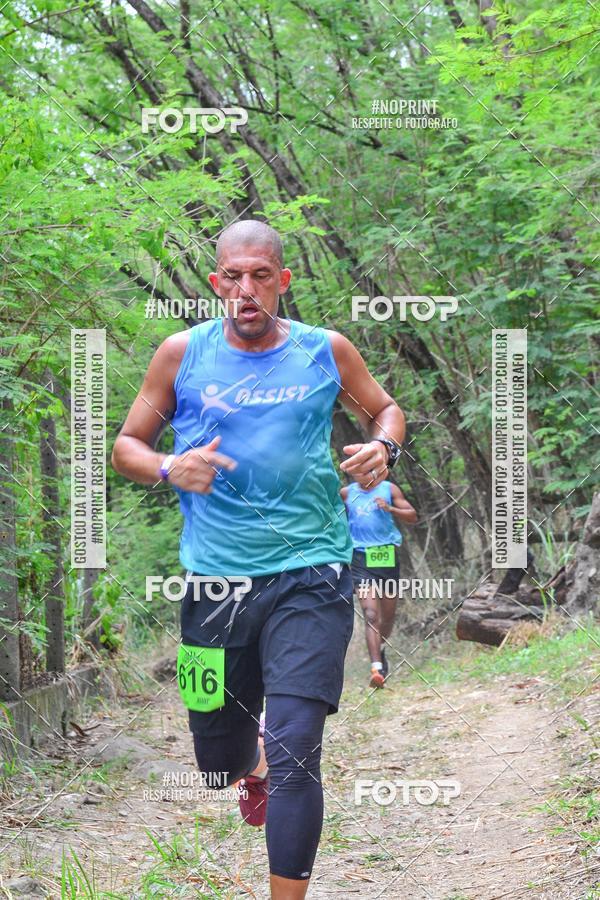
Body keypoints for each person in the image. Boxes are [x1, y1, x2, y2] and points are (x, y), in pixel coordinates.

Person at [111, 219, 406, 900]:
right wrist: (167, 467)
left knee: (299, 746)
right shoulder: (180, 354)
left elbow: (385, 409)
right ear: (217, 284)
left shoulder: (324, 351)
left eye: (261, 276)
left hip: (313, 569)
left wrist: (383, 448)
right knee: (217, 759)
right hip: (214, 580)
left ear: (283, 282)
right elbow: (126, 446)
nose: (247, 290)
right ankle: (249, 763)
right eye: (234, 278)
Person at [341, 479, 416, 688]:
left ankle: (380, 647)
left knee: (388, 616)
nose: (364, 472)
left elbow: (412, 516)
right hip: (360, 559)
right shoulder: (346, 494)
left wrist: (390, 508)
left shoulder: (389, 489)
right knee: (371, 614)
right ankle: (377, 669)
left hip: (386, 556)